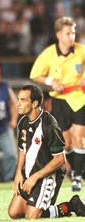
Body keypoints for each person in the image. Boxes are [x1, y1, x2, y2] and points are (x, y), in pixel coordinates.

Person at [8, 84, 85, 219]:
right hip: (31, 174)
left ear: (34, 103)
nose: (18, 104)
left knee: (31, 217)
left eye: (23, 100)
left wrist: (34, 177)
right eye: (18, 99)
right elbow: (22, 149)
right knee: (13, 213)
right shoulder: (23, 122)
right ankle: (66, 205)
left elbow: (60, 159)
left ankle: (71, 206)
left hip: (48, 176)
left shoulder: (49, 124)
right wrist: (18, 173)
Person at [30, 16, 85, 191]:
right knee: (67, 143)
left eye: (73, 33)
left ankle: (78, 176)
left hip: (79, 98)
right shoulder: (49, 54)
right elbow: (35, 74)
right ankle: (74, 171)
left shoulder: (81, 50)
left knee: (78, 138)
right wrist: (51, 81)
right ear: (59, 34)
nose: (72, 36)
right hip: (59, 100)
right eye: (68, 33)